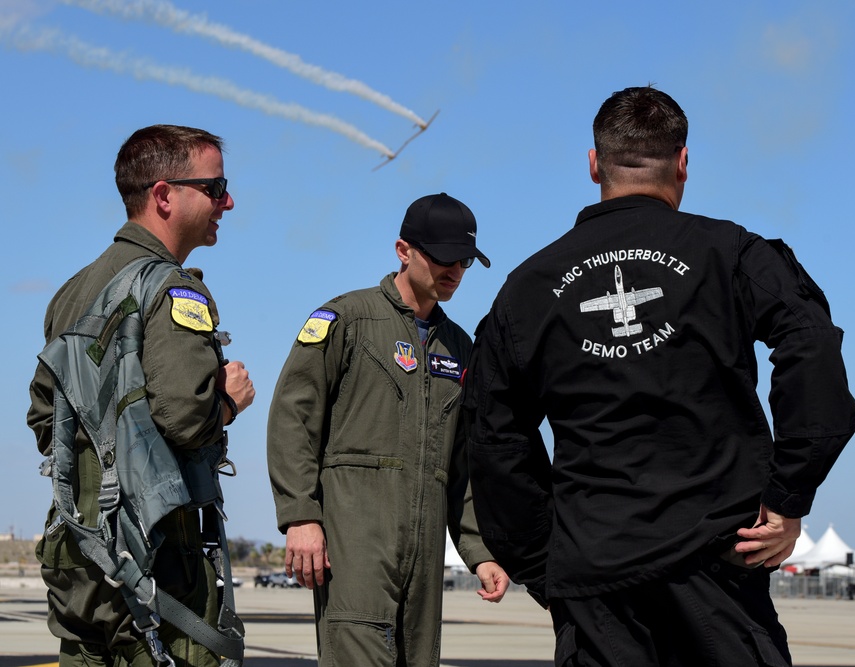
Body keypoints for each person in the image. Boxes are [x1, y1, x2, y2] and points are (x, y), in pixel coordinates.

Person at [463, 86, 855, 666]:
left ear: (594, 164)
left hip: (594, 574)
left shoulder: (527, 288)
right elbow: (813, 346)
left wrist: (544, 564)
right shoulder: (731, 254)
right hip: (719, 566)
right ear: (683, 162)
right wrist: (788, 495)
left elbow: (494, 438)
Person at [27, 125, 255, 667]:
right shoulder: (174, 288)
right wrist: (227, 401)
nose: (229, 200)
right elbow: (184, 416)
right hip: (156, 559)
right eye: (216, 185)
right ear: (163, 195)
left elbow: (44, 419)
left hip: (78, 555)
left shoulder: (74, 290)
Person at [267, 192, 510, 667]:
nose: (455, 271)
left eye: (464, 261)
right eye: (443, 258)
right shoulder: (346, 320)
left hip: (423, 565)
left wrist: (478, 552)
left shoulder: (460, 347)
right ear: (404, 250)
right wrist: (300, 515)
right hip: (356, 546)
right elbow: (293, 417)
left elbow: (462, 463)